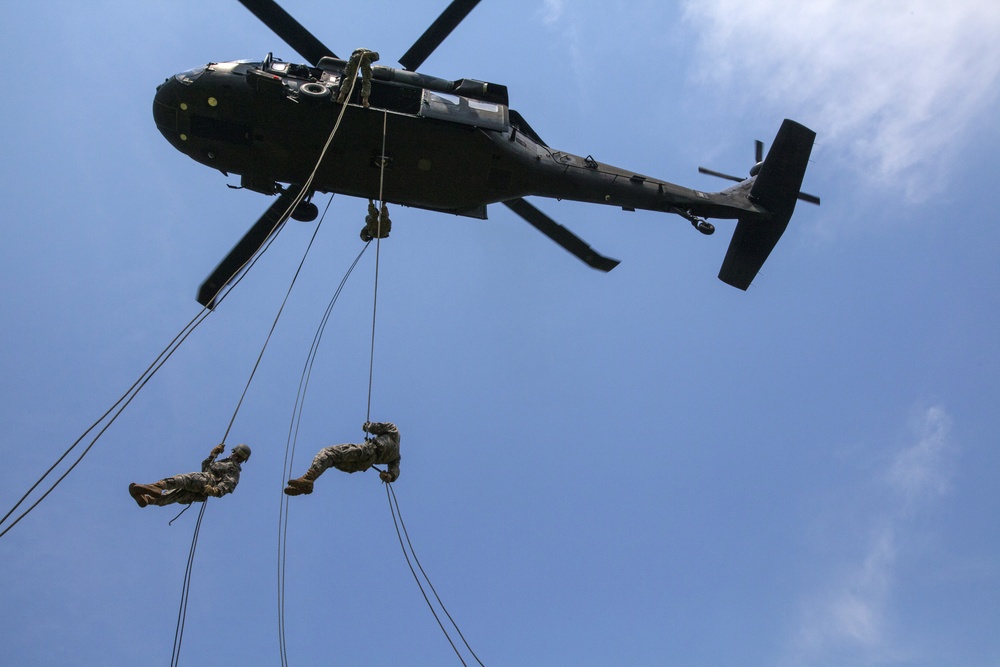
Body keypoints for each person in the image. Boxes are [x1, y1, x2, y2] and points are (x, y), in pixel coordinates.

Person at [284, 421, 399, 496]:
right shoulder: (396, 457)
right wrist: (389, 476)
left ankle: (309, 478)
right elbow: (395, 471)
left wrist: (367, 426)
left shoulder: (393, 430)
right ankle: (307, 483)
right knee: (332, 460)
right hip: (362, 465)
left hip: (366, 451)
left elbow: (376, 427)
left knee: (328, 453)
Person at [128, 443, 251, 508]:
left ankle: (157, 486)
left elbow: (228, 484)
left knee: (184, 479)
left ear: (241, 460)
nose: (236, 457)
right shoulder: (224, 462)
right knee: (174, 495)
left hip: (207, 483)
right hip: (201, 490)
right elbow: (205, 468)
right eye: (236, 454)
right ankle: (148, 500)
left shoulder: (234, 469)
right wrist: (212, 455)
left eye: (239, 456)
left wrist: (215, 490)